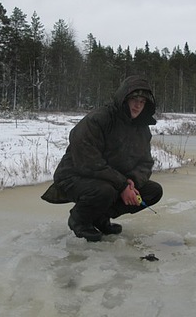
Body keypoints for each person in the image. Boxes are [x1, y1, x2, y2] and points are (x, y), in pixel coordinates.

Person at [41, 75, 163, 242]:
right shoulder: (100, 118)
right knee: (105, 190)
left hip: (112, 180)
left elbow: (145, 163)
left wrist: (132, 181)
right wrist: (122, 185)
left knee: (153, 191)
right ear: (124, 99)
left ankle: (100, 217)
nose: (138, 105)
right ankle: (79, 219)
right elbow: (88, 161)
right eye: (134, 99)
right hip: (74, 176)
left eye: (142, 101)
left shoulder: (142, 130)